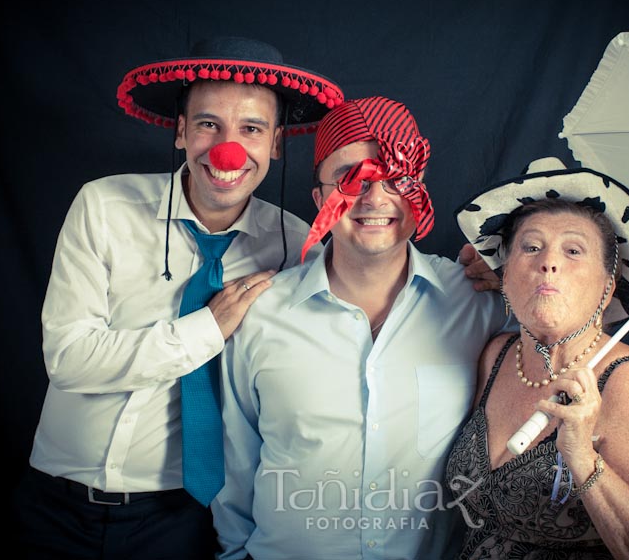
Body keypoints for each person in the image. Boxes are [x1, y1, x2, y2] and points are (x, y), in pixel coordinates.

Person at [12, 36, 343, 559]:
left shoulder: (297, 248)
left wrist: (476, 271)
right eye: (209, 124)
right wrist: (207, 329)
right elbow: (69, 358)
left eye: (251, 129)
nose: (227, 149)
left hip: (183, 521)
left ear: (276, 144)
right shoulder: (104, 206)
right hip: (54, 507)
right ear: (181, 131)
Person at [212, 96, 515, 560]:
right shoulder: (261, 313)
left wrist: (519, 274)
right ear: (320, 200)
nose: (375, 199)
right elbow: (236, 460)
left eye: (396, 179)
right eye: (352, 179)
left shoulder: (479, 300)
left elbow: (581, 332)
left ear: (419, 192)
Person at [446, 156, 629, 559]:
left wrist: (582, 456)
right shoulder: (495, 356)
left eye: (573, 250)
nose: (549, 262)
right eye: (531, 247)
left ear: (608, 286)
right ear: (505, 274)